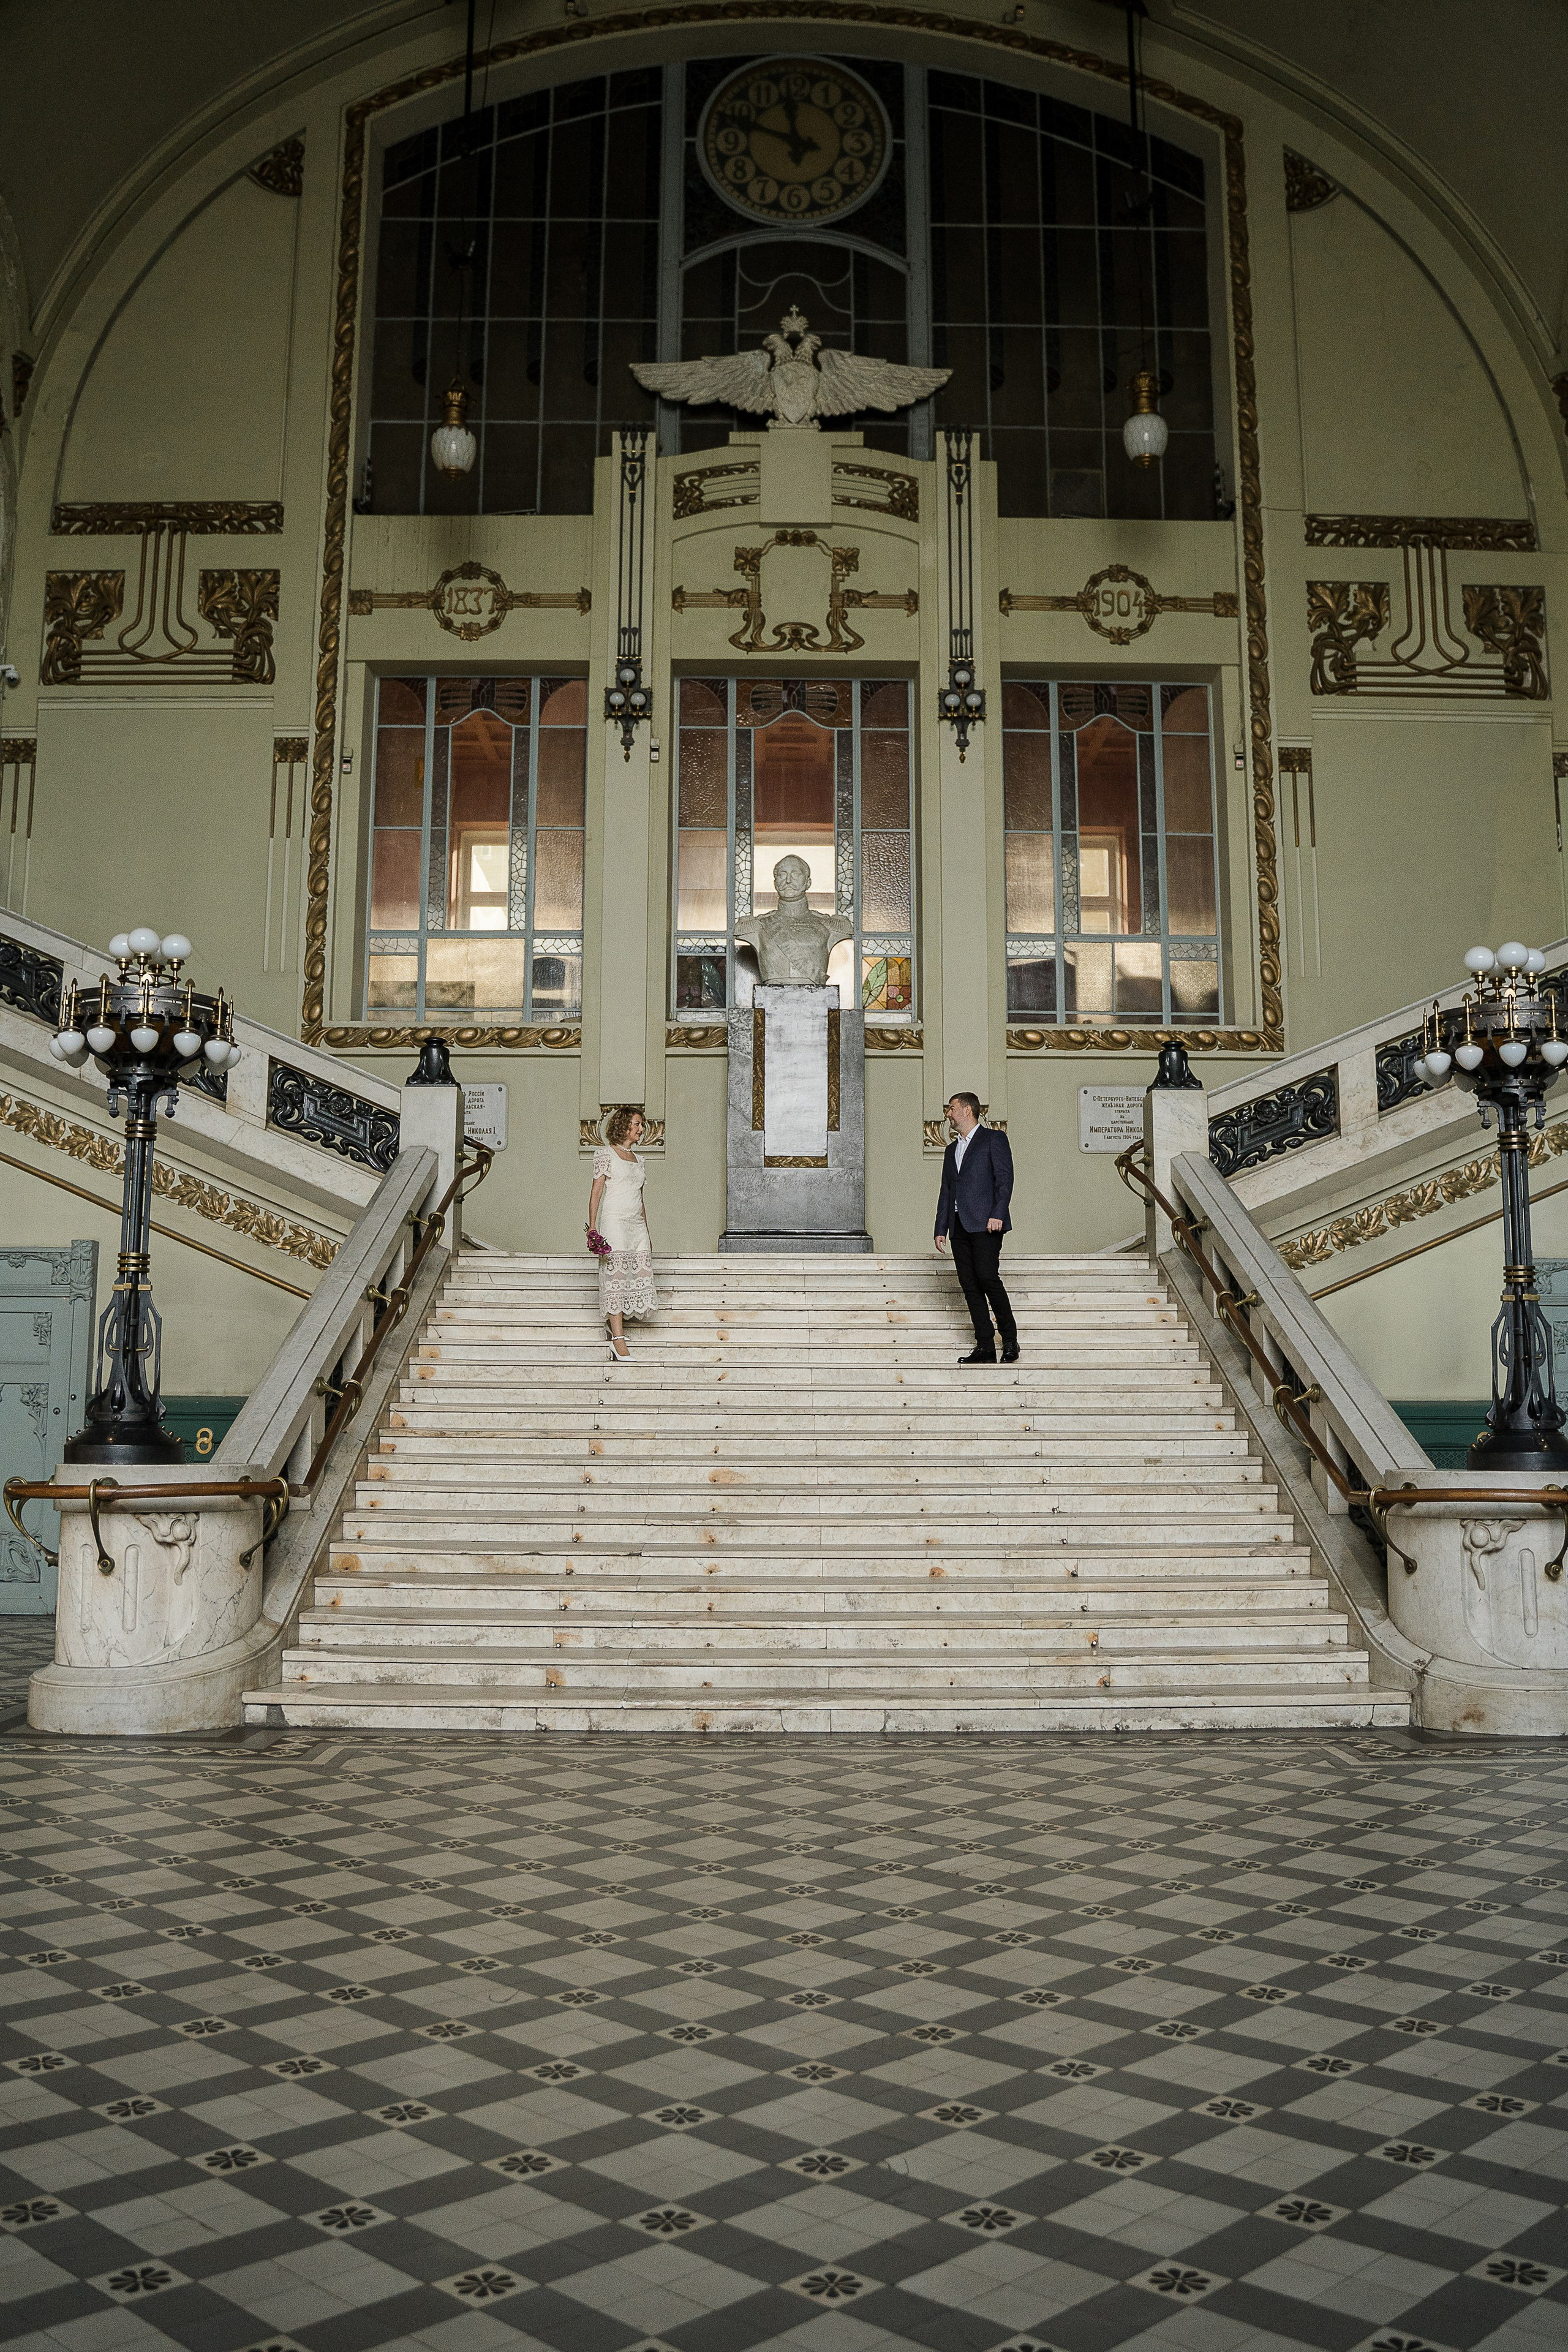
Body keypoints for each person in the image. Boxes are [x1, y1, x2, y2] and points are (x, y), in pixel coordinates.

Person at [933, 1092, 1019, 1365]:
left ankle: (1009, 1340)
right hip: (959, 1225)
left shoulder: (994, 1139)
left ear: (968, 1110)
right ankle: (984, 1346)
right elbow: (947, 1191)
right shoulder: (951, 1150)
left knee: (987, 1277)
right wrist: (941, 1228)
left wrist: (998, 1214)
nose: (948, 1114)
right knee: (969, 1285)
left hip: (987, 1223)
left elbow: (1005, 1179)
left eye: (952, 1109)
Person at [587, 1106, 655, 1360]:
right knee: (615, 1277)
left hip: (636, 1226)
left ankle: (613, 1327)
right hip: (614, 1222)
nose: (641, 1129)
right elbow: (596, 1193)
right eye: (637, 1124)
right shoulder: (605, 1154)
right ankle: (618, 1340)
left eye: (642, 1125)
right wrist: (593, 1228)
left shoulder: (640, 1160)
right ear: (625, 1125)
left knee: (633, 1276)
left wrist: (646, 1232)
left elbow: (640, 1198)